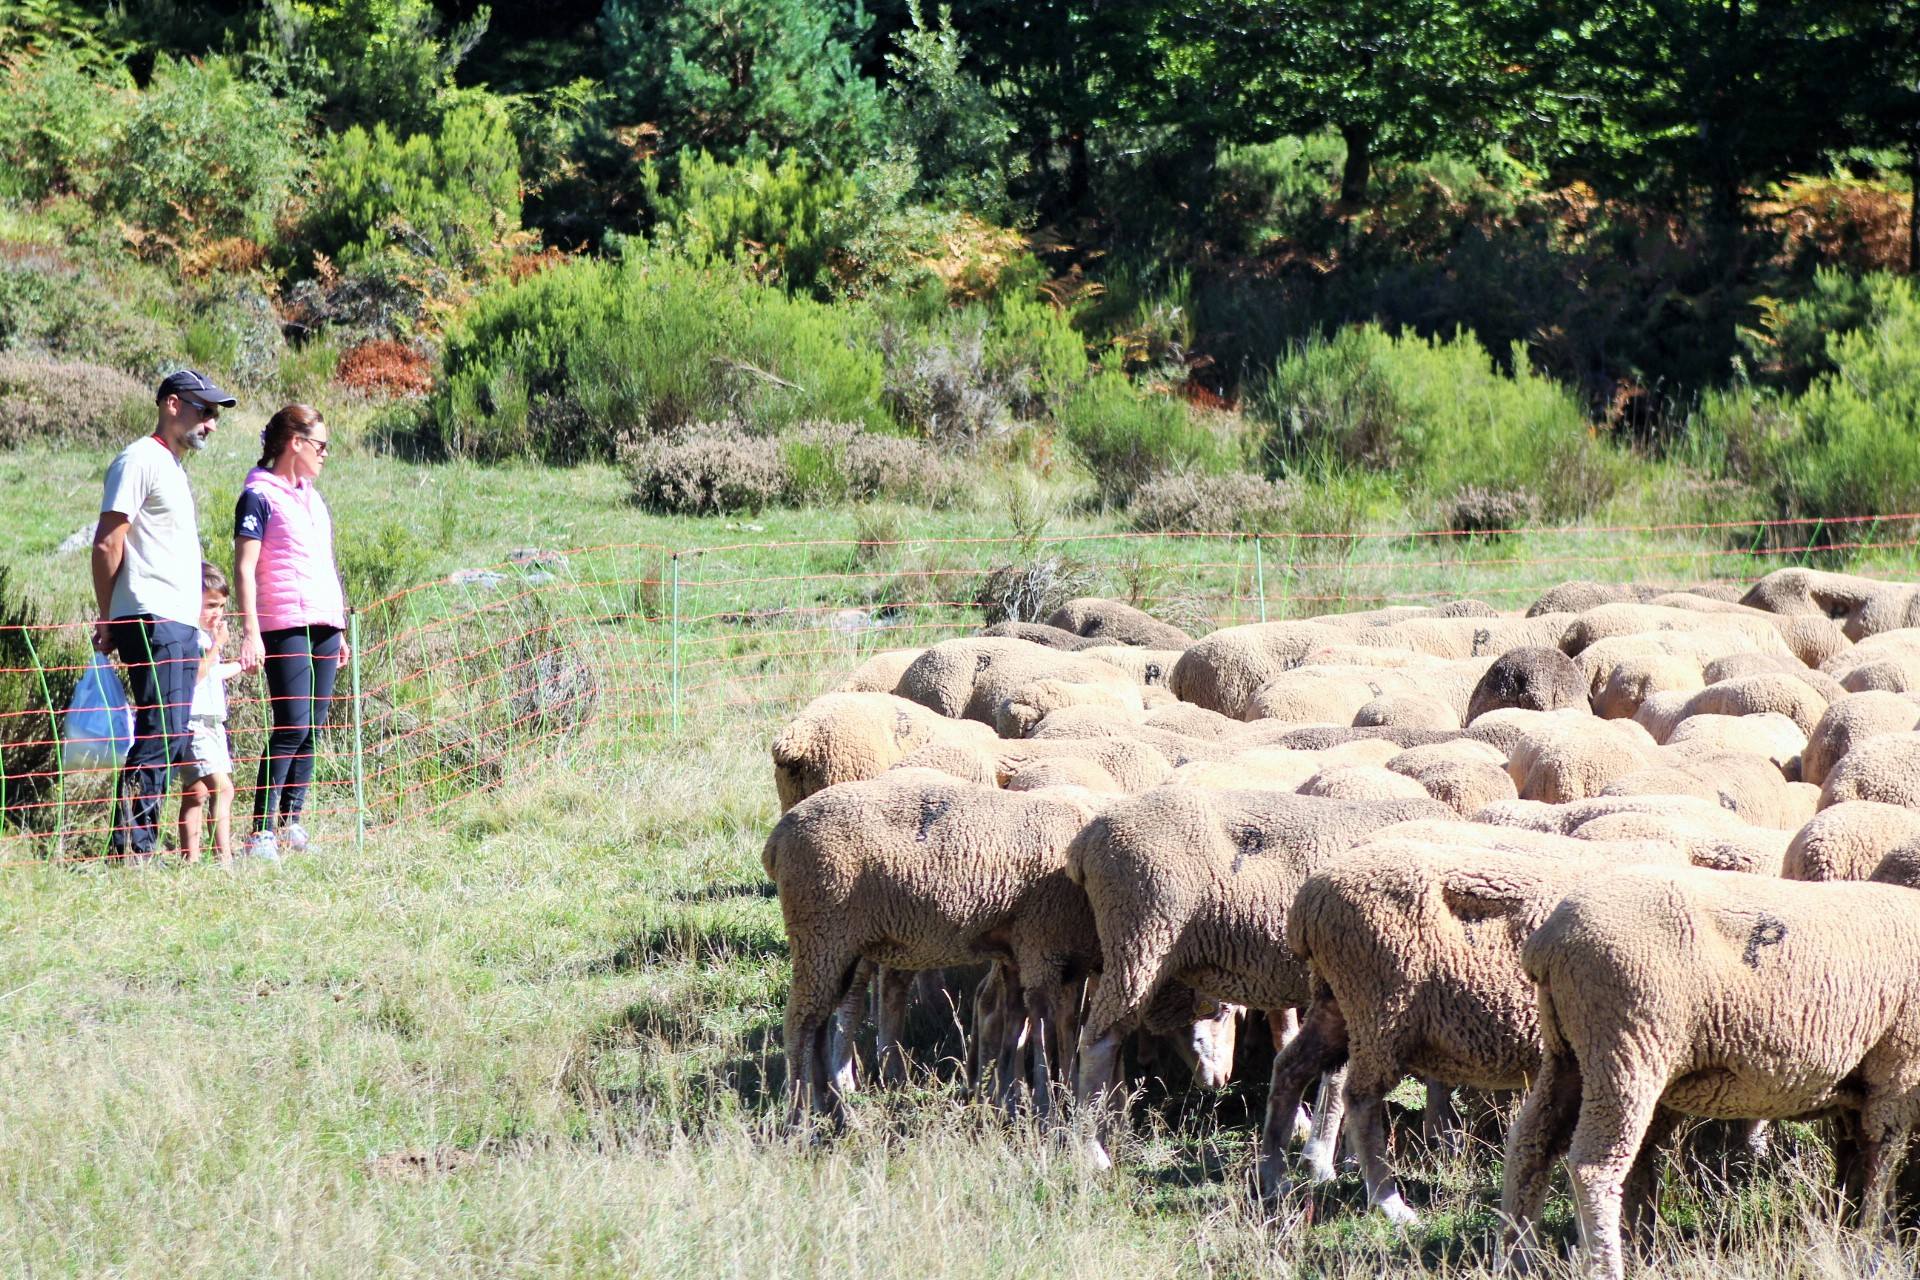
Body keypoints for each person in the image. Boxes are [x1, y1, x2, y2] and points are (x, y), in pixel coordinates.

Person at [92, 369, 235, 861]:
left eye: (214, 415)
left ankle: (135, 847)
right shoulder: (140, 459)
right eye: (203, 410)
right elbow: (108, 541)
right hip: (151, 619)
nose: (211, 423)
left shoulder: (172, 466)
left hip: (173, 621)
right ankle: (131, 851)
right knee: (160, 733)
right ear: (172, 404)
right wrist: (109, 617)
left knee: (170, 733)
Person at [234, 404, 348, 861]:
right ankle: (260, 832)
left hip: (323, 623)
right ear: (295, 443)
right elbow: (244, 569)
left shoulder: (313, 499)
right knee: (291, 725)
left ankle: (292, 822)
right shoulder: (257, 497)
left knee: (313, 729)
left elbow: (324, 565)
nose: (324, 455)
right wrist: (250, 631)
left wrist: (338, 628)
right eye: (320, 446)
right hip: (283, 623)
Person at [178, 562, 241, 865]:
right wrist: (217, 646)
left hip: (212, 722)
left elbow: (213, 672)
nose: (217, 612)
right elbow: (196, 675)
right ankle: (224, 860)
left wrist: (243, 664)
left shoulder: (203, 637)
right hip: (196, 722)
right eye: (210, 605)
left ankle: (190, 860)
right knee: (223, 788)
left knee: (196, 791)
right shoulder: (191, 637)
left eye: (222, 606)